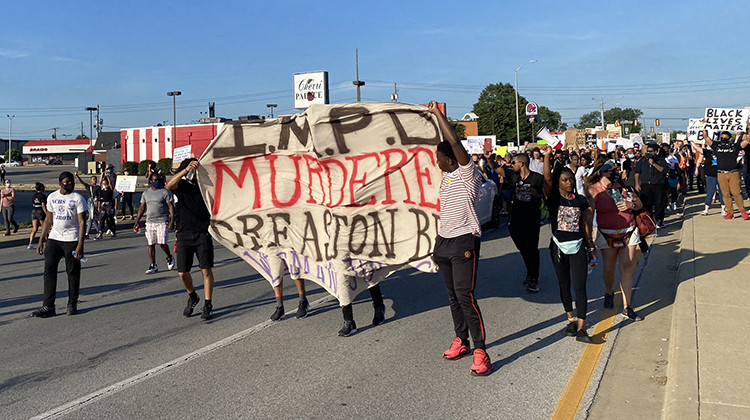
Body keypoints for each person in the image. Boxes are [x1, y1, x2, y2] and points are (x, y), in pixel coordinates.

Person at [427, 101, 491, 376]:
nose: (436, 161)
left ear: (452, 159)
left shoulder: (468, 174)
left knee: (466, 296)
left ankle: (480, 350)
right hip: (444, 242)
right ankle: (460, 340)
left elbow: (454, 142)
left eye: (439, 157)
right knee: (453, 296)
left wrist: (438, 115)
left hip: (464, 241)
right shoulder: (445, 178)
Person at [541, 146, 596, 343]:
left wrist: (590, 245)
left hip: (578, 246)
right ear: (558, 184)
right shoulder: (553, 199)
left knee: (580, 286)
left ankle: (582, 328)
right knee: (564, 284)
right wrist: (547, 156)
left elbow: (585, 224)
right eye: (565, 180)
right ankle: (570, 319)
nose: (569, 182)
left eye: (571, 179)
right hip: (558, 248)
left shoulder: (580, 200)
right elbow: (547, 179)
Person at [586, 159, 643, 321]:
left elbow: (639, 204)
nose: (616, 172)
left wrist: (630, 204)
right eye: (612, 170)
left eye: (616, 169)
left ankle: (627, 307)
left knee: (627, 267)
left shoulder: (624, 186)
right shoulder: (594, 190)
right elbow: (589, 217)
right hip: (607, 234)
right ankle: (609, 291)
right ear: (602, 172)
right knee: (609, 270)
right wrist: (589, 239)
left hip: (629, 231)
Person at [30, 172, 88, 317]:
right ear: (60, 183)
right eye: (67, 182)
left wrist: (80, 245)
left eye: (71, 182)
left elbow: (82, 222)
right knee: (49, 271)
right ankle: (48, 306)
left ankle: (72, 304)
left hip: (72, 239)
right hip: (54, 239)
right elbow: (49, 220)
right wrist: (42, 239)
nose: (69, 184)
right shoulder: (52, 197)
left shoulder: (78, 198)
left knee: (72, 272)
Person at [166, 158, 215, 321]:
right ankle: (193, 296)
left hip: (202, 233)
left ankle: (208, 304)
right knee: (182, 273)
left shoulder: (205, 187)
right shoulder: (183, 187)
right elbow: (169, 185)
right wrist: (186, 170)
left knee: (205, 270)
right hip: (184, 234)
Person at [508, 152, 545, 293]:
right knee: (522, 247)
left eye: (513, 163)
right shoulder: (515, 177)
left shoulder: (537, 178)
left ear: (521, 163)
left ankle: (534, 278)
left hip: (532, 218)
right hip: (516, 218)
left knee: (532, 248)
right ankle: (530, 271)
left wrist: (538, 195)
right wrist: (488, 160)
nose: (512, 165)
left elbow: (548, 194)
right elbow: (499, 170)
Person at [702, 128, 750, 220]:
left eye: (725, 137)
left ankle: (742, 211)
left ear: (729, 138)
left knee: (736, 193)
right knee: (725, 194)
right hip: (721, 173)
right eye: (722, 137)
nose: (723, 138)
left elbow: (747, 140)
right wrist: (705, 126)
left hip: (733, 173)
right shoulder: (717, 146)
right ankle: (730, 212)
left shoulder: (734, 146)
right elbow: (706, 137)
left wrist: (748, 129)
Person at [134, 172, 176, 274]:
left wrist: (172, 220)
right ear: (150, 181)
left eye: (158, 180)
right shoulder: (146, 193)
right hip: (150, 222)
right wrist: (137, 221)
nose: (157, 182)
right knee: (151, 244)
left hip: (162, 221)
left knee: (162, 243)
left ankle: (169, 257)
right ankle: (153, 265)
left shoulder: (165, 192)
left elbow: (170, 206)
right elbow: (142, 208)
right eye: (154, 180)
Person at [634, 143, 668, 227]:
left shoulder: (661, 160)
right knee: (646, 204)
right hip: (645, 185)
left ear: (656, 152)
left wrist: (653, 164)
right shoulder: (642, 161)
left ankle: (659, 220)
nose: (648, 153)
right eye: (648, 151)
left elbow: (663, 170)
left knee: (659, 203)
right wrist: (637, 183)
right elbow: (637, 172)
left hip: (658, 185)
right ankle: (649, 221)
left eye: (651, 151)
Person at [75, 171, 101, 239]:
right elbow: (82, 182)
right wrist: (77, 176)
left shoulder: (98, 187)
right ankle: (96, 231)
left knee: (92, 218)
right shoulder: (89, 187)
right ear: (91, 180)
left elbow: (99, 198)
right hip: (90, 202)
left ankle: (90, 232)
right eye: (93, 179)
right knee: (91, 217)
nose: (94, 180)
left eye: (95, 179)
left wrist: (98, 206)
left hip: (95, 202)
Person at [28, 182, 47, 249]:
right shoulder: (43, 196)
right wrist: (47, 213)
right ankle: (47, 243)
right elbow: (43, 205)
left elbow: (33, 204)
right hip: (40, 212)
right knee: (45, 228)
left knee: (35, 229)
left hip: (34, 211)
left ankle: (30, 243)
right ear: (41, 188)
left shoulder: (34, 195)